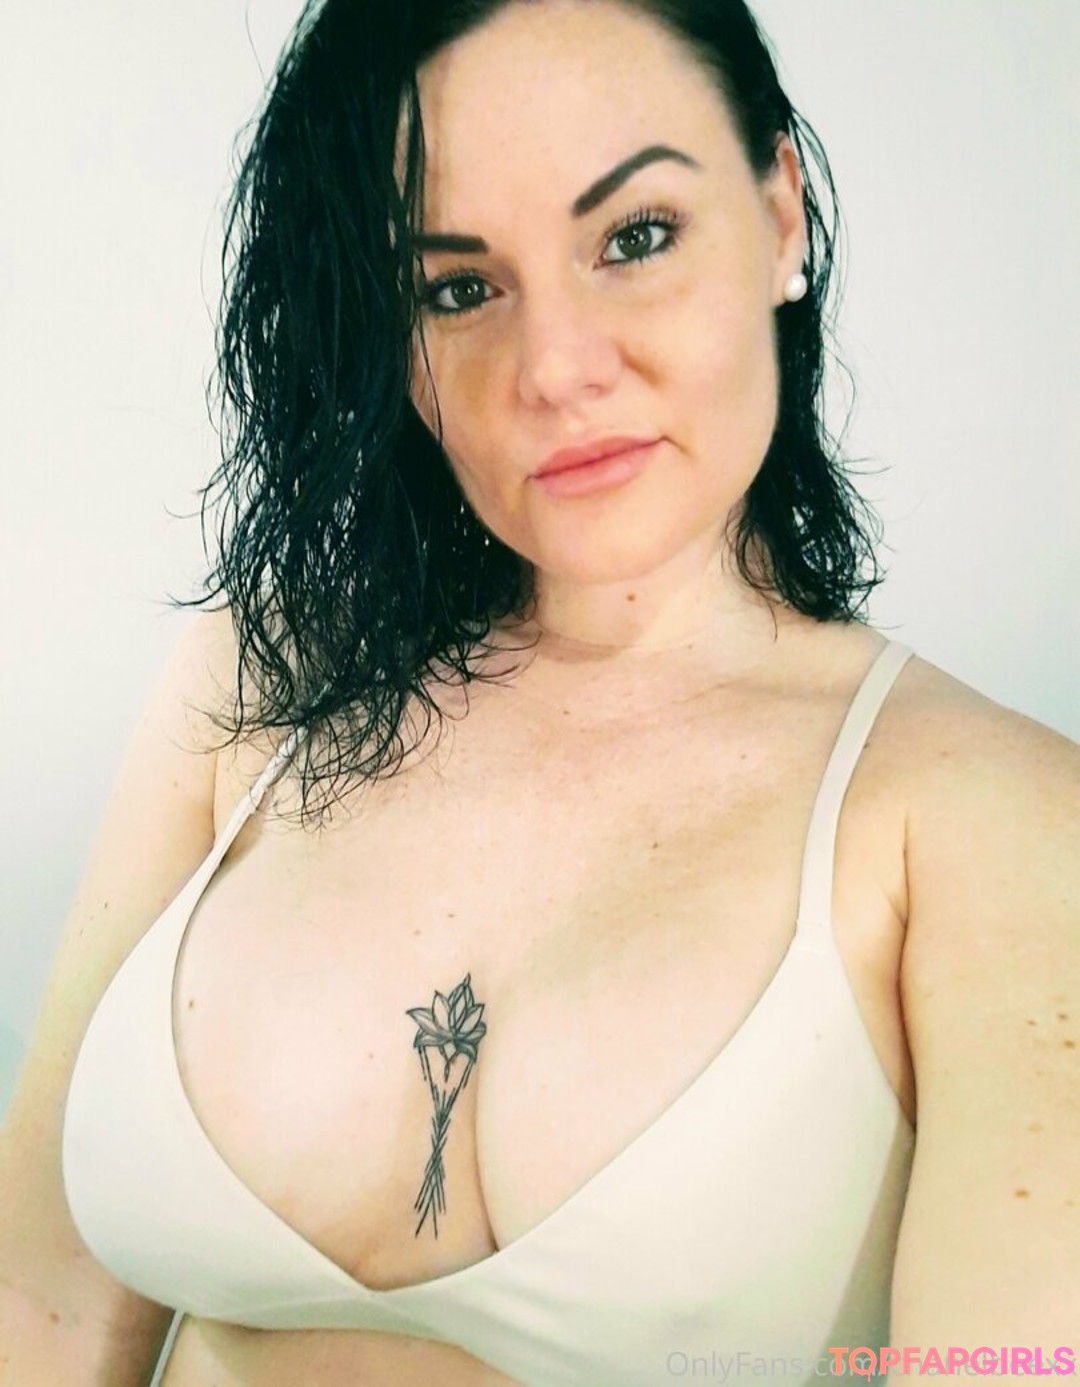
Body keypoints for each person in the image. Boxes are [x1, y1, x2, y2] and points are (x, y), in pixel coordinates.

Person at [1, 0, 1076, 1383]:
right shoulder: (259, 677)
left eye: (636, 237)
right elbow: (40, 1310)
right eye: (459, 289)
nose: (557, 370)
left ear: (780, 216)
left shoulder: (988, 814)